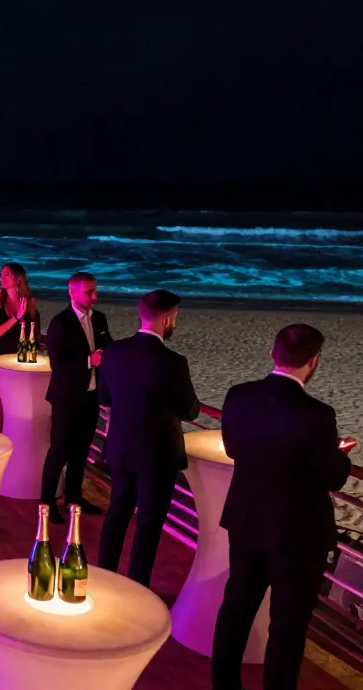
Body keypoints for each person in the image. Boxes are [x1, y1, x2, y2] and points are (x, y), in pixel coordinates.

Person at [213, 324, 352, 690]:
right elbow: (333, 477)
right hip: (297, 532)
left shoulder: (239, 395)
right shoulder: (317, 414)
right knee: (288, 624)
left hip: (247, 519)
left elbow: (232, 449)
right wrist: (338, 454)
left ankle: (223, 684)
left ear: (274, 354)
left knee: (237, 607)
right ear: (313, 361)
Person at [96, 290, 200, 587]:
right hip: (157, 456)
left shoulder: (114, 351)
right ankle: (137, 587)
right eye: (175, 319)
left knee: (117, 515)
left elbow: (105, 397)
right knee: (148, 525)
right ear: (167, 319)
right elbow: (190, 409)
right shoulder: (173, 362)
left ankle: (104, 576)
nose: (174, 325)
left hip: (120, 447)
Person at [39, 271, 110, 520]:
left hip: (91, 395)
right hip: (66, 398)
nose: (95, 296)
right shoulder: (60, 323)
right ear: (72, 292)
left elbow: (108, 349)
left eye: (95, 290)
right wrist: (89, 360)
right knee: (59, 451)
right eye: (89, 291)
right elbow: (58, 364)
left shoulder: (99, 319)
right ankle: (47, 504)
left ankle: (73, 498)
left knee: (81, 451)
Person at [0, 262, 40, 357]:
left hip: (23, 355)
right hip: (1, 355)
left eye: (6, 275)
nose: (1, 278)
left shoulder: (30, 301)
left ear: (18, 278)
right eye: (0, 275)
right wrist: (16, 317)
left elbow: (33, 330)